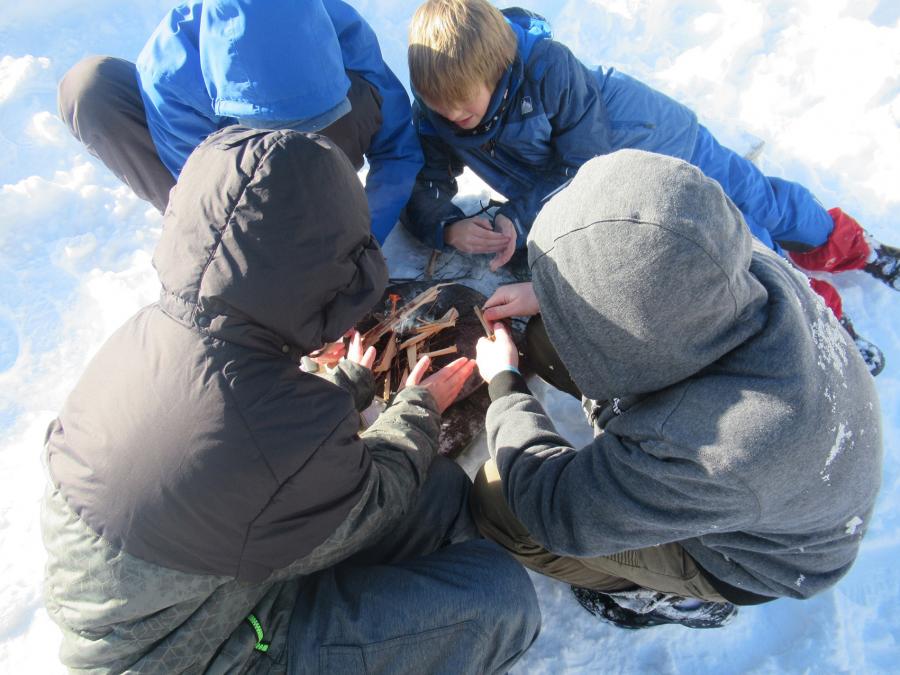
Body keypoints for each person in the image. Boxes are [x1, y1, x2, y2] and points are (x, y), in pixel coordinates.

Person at [41, 127, 540, 672]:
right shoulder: (263, 431)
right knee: (500, 598)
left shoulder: (156, 331)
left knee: (440, 489)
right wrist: (417, 409)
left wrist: (345, 388)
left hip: (201, 590)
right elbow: (369, 500)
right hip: (201, 651)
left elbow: (248, 437)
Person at [470, 149, 883, 629]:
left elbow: (558, 511)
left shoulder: (718, 446)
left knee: (501, 502)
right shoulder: (716, 254)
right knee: (549, 333)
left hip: (756, 558)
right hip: (778, 474)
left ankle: (660, 594)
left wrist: (505, 385)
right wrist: (556, 292)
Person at [403, 0, 898, 375]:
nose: (452, 120)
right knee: (737, 249)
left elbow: (587, 166)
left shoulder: (549, 68)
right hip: (607, 178)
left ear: (497, 69)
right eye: (440, 110)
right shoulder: (441, 108)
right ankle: (818, 306)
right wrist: (447, 227)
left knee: (753, 221)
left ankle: (842, 272)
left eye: (464, 110)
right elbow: (420, 183)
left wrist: (515, 216)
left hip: (659, 140)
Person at [57, 0, 423, 244]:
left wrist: (366, 237)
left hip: (332, 136)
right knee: (90, 87)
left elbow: (399, 150)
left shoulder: (338, 24)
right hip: (226, 157)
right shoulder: (171, 76)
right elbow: (211, 198)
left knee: (364, 99)